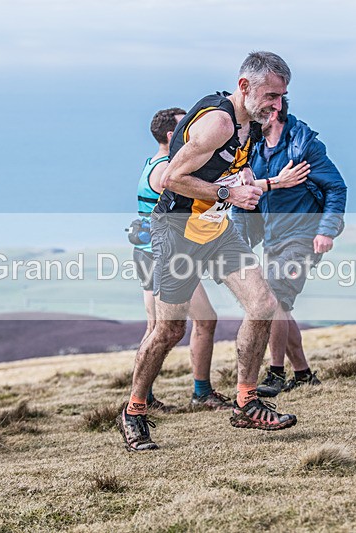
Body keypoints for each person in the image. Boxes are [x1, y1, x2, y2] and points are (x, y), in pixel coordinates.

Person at [117, 51, 300, 451]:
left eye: (281, 97)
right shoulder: (217, 122)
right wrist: (227, 192)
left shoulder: (250, 123)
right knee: (170, 329)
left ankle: (246, 403)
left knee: (263, 303)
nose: (277, 105)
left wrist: (250, 181)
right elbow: (171, 179)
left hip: (216, 230)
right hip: (176, 232)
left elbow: (233, 168)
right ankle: (133, 411)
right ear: (244, 86)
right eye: (270, 95)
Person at [234, 97, 347, 397]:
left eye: (262, 110)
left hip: (304, 236)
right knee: (280, 305)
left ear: (274, 112)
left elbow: (336, 187)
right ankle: (303, 374)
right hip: (272, 238)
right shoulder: (253, 149)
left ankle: (275, 374)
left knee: (274, 300)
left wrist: (326, 231)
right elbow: (242, 196)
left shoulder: (303, 146)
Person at [133, 107, 232, 411]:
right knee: (202, 320)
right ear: (169, 135)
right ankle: (200, 393)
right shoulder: (166, 169)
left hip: (149, 255)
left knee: (156, 328)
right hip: (167, 257)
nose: (190, 132)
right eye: (182, 128)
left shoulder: (152, 162)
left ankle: (144, 399)